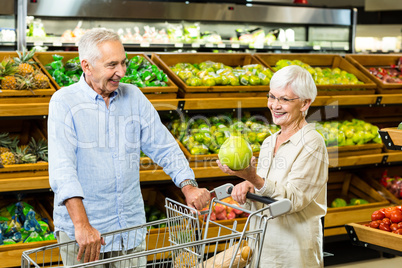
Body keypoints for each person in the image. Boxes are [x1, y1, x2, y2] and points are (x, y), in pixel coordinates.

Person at [48, 28, 210, 266]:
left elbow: (164, 146)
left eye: (123, 63)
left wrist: (188, 186)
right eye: (112, 65)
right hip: (84, 235)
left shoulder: (133, 97)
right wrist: (82, 225)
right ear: (87, 66)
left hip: (129, 231)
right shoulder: (64, 102)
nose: (121, 72)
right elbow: (63, 171)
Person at [217, 65, 328, 267]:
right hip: (260, 246)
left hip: (293, 251)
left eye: (284, 99)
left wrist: (253, 179)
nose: (275, 105)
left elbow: (294, 200)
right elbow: (264, 195)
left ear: (305, 103)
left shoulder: (312, 143)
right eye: (271, 97)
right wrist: (246, 187)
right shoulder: (269, 142)